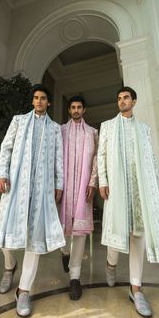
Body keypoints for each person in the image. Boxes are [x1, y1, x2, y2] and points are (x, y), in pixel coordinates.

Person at [97, 86, 159, 317]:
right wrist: (103, 180)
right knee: (116, 233)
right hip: (117, 187)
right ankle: (111, 264)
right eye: (119, 98)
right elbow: (100, 155)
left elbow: (150, 157)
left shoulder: (143, 129)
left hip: (139, 187)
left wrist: (155, 184)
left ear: (134, 101)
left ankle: (136, 288)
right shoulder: (108, 126)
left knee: (137, 235)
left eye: (126, 98)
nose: (122, 101)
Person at [0, 84, 65, 317]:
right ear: (32, 101)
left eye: (43, 98)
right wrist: (1, 174)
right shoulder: (18, 121)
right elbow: (6, 148)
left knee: (34, 241)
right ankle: (9, 266)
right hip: (15, 186)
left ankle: (23, 290)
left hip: (42, 190)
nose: (38, 101)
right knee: (4, 235)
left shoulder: (55, 129)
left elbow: (58, 159)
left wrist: (58, 184)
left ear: (48, 102)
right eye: (35, 98)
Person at [60, 95, 98, 300]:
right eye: (73, 107)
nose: (76, 110)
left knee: (80, 232)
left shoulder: (92, 133)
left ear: (84, 110)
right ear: (69, 110)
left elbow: (96, 160)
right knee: (63, 227)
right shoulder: (60, 131)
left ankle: (75, 277)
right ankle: (64, 251)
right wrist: (56, 185)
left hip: (84, 189)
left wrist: (93, 182)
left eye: (79, 107)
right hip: (64, 188)